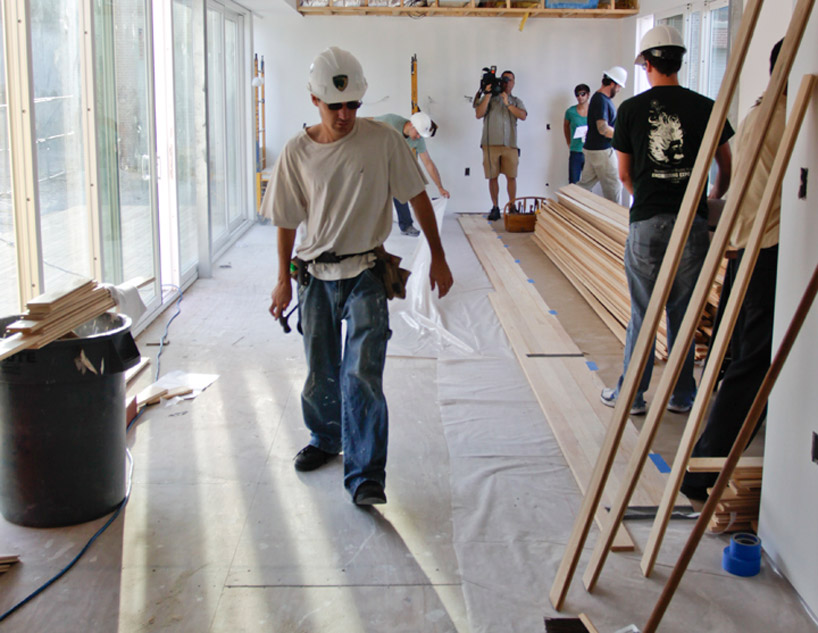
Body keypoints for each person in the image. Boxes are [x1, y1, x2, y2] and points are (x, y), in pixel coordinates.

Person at [263, 47, 453, 506]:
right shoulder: (296, 152)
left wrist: (441, 257)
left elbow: (417, 197)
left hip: (368, 271)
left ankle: (366, 473)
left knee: (363, 375)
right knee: (321, 370)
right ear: (315, 100)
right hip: (315, 276)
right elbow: (286, 219)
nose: (346, 114)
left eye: (353, 105)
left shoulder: (383, 141)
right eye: (336, 106)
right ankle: (326, 438)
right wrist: (283, 278)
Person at [599, 25, 733, 416]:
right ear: (679, 61)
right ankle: (682, 395)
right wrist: (709, 199)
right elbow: (726, 165)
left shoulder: (630, 110)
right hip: (692, 222)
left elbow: (624, 176)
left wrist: (651, 201)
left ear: (646, 65)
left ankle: (633, 396)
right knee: (684, 309)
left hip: (646, 222)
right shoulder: (706, 107)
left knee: (644, 309)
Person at [681, 39, 785, 504]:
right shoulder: (789, 115)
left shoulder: (759, 110)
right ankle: (703, 468)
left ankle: (702, 456)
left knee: (730, 356)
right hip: (767, 248)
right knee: (750, 361)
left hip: (746, 243)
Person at [372, 111, 451, 236]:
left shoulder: (418, 140)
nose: (419, 137)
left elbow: (428, 163)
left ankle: (406, 226)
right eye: (418, 133)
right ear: (411, 125)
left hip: (393, 164)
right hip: (376, 160)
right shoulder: (390, 121)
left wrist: (440, 187)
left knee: (402, 190)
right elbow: (368, 121)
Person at [473, 70, 527, 221]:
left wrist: (508, 103)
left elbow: (523, 116)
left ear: (514, 83)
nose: (506, 83)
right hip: (490, 145)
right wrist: (488, 94)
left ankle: (511, 205)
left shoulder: (515, 100)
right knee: (492, 177)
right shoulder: (490, 99)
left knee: (511, 176)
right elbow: (478, 113)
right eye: (504, 80)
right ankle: (495, 207)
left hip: (510, 145)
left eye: (509, 80)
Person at [577, 66, 628, 203]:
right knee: (614, 186)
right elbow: (603, 129)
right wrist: (623, 136)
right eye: (618, 87)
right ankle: (614, 220)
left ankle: (565, 208)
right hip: (601, 151)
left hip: (593, 149)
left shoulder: (599, 99)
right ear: (612, 83)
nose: (618, 90)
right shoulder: (601, 100)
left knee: (583, 186)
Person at [564, 83, 590, 184]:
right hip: (576, 150)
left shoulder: (594, 110)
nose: (580, 97)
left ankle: (585, 200)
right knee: (573, 181)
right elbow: (565, 126)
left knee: (587, 182)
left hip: (590, 150)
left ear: (588, 94)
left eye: (582, 94)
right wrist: (568, 142)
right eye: (577, 94)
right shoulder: (570, 112)